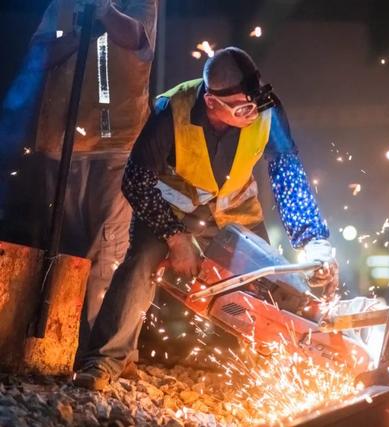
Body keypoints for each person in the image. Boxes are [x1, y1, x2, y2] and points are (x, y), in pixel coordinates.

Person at [73, 47, 339, 390]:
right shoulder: (172, 111)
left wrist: (312, 240)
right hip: (170, 213)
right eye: (242, 108)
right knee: (141, 262)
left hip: (235, 215)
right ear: (213, 103)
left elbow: (287, 173)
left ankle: (264, 377)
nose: (252, 114)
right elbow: (135, 179)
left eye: (254, 105)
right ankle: (106, 360)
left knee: (264, 287)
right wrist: (174, 236)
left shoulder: (266, 112)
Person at [0, 0, 157, 361]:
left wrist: (103, 13)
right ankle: (52, 345)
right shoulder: (62, 3)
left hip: (115, 143)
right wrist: (75, 37)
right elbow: (38, 54)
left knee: (106, 253)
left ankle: (97, 357)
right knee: (64, 251)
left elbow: (138, 40)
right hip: (59, 142)